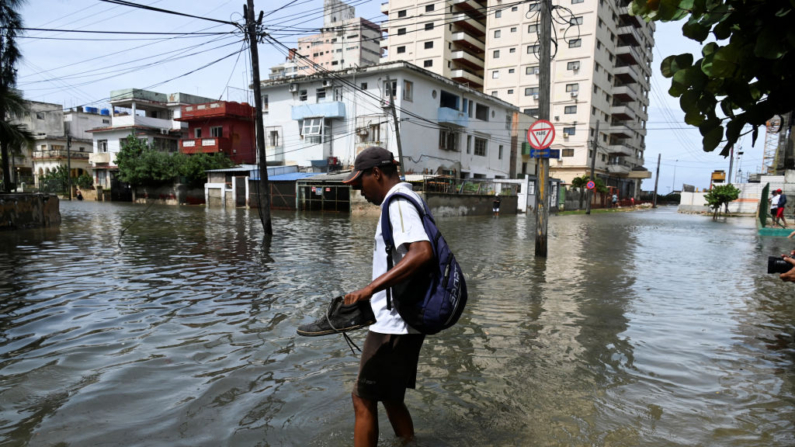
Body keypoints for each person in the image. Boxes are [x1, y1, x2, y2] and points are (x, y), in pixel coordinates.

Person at [341, 147, 434, 447]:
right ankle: (409, 443)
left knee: (362, 398)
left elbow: (422, 253)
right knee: (392, 398)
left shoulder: (397, 203)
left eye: (360, 183)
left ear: (376, 174)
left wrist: (370, 289)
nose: (359, 191)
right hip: (404, 321)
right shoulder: (411, 198)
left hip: (393, 326)